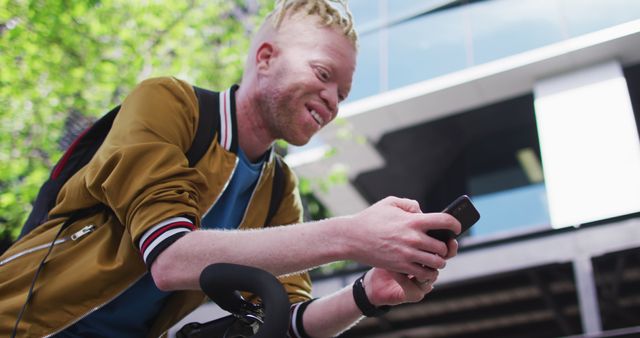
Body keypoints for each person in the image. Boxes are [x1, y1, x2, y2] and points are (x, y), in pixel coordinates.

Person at [0, 0, 461, 337]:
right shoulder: (169, 102)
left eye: (341, 93)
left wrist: (368, 293)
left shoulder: (279, 186)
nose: (332, 101)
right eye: (323, 75)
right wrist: (353, 235)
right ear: (265, 58)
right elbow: (171, 256)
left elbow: (286, 322)